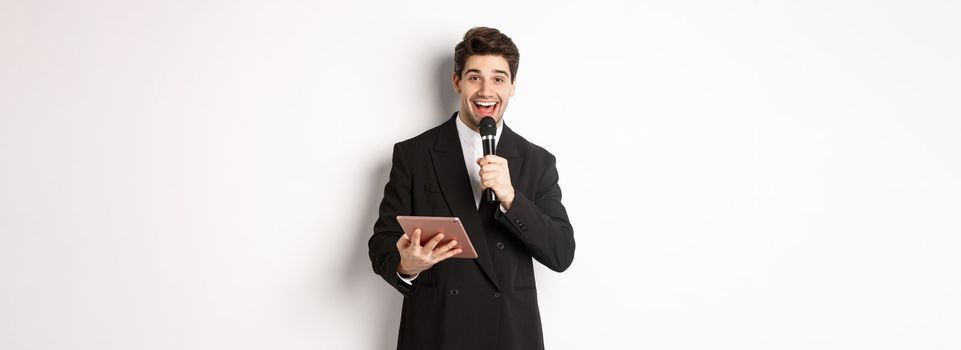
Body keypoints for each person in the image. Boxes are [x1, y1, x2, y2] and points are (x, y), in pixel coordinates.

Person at [368, 26, 575, 350]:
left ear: (513, 86)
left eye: (498, 78)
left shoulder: (537, 162)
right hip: (437, 332)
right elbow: (382, 243)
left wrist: (511, 197)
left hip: (508, 334)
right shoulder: (414, 154)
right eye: (474, 77)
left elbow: (561, 253)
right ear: (457, 82)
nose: (486, 91)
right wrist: (406, 265)